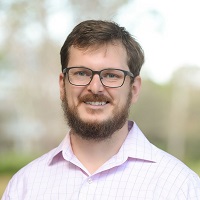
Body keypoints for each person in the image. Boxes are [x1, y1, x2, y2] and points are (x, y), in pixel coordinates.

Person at [2, 20, 200, 200]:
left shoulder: (180, 188)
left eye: (111, 75)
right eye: (81, 73)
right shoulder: (23, 187)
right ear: (62, 86)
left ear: (134, 89)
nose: (95, 87)